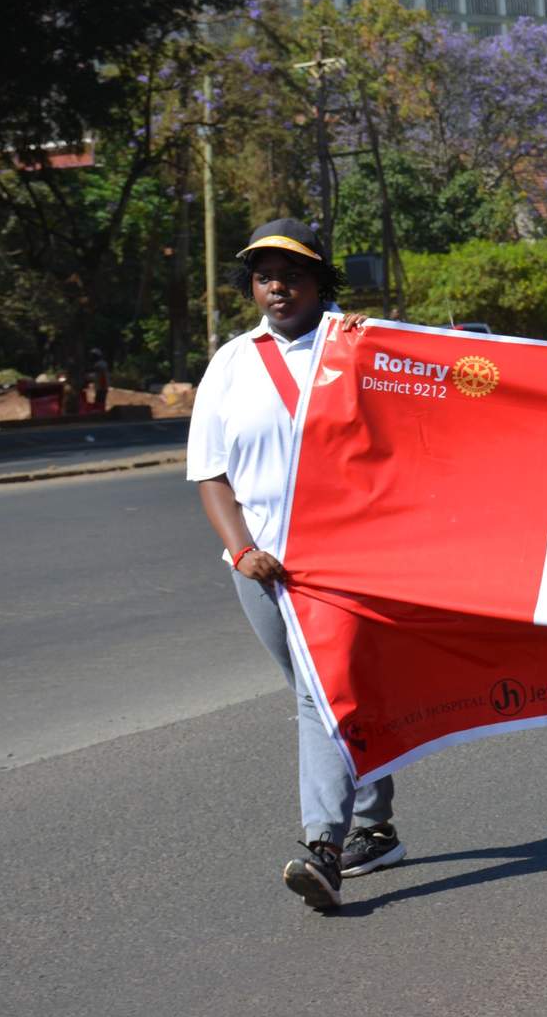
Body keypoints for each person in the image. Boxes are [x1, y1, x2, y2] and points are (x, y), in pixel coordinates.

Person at [187, 219, 402, 911]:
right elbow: (210, 472)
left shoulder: (361, 345)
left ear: (321, 280)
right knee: (320, 691)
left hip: (344, 561)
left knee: (319, 692)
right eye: (262, 274)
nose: (277, 285)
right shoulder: (229, 362)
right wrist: (244, 549)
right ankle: (373, 823)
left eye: (292, 272)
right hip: (258, 567)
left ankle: (324, 846)